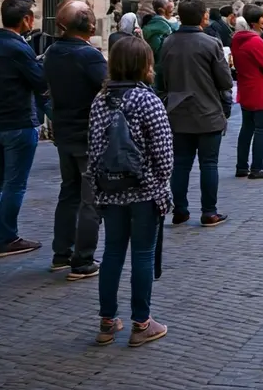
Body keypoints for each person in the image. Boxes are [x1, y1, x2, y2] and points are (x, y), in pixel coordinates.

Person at [87, 36, 172, 347]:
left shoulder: (100, 100)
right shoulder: (147, 100)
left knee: (112, 253)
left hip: (110, 190)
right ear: (144, 65)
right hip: (144, 190)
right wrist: (159, 183)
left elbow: (94, 148)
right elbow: (163, 152)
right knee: (143, 254)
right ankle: (142, 323)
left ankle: (107, 321)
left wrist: (98, 186)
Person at [0, 0, 46, 257]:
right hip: (18, 121)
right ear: (26, 19)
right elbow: (39, 81)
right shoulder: (18, 48)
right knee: (15, 183)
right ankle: (7, 237)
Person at [43, 1, 107, 279]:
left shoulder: (53, 52)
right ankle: (82, 260)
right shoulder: (89, 56)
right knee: (91, 199)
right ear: (91, 27)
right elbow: (109, 89)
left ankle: (62, 253)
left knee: (68, 193)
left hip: (65, 133)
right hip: (88, 135)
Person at [159, 0, 234, 228]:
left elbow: (162, 81)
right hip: (207, 112)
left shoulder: (168, 42)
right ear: (203, 17)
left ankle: (180, 210)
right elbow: (225, 81)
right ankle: (209, 211)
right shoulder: (211, 43)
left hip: (178, 112)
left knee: (181, 164)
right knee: (208, 164)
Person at [231, 5, 263, 179]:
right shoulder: (256, 41)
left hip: (245, 88)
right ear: (255, 21)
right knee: (261, 129)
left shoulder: (237, 39)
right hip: (258, 89)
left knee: (247, 128)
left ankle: (241, 166)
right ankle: (257, 167)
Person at [142, 0, 175, 78]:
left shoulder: (173, 23)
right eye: (170, 8)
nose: (173, 10)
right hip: (162, 66)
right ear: (161, 9)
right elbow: (155, 48)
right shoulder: (157, 26)